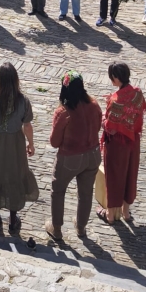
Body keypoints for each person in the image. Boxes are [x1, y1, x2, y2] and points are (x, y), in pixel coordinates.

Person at [0, 62, 39, 235]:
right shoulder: (23, 101)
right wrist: (31, 143)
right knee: (15, 175)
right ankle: (13, 220)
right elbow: (27, 126)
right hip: (15, 143)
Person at [45, 70, 102, 242]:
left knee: (58, 190)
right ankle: (81, 227)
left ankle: (56, 228)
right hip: (93, 154)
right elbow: (98, 126)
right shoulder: (94, 104)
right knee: (85, 193)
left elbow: (55, 142)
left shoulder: (64, 112)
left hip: (71, 158)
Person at [97, 62, 146, 225]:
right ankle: (126, 212)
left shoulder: (115, 101)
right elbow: (137, 114)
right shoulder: (138, 94)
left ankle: (110, 215)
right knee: (130, 174)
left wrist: (103, 117)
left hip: (117, 144)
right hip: (133, 140)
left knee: (114, 176)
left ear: (116, 78)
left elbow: (110, 128)